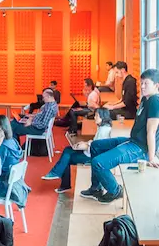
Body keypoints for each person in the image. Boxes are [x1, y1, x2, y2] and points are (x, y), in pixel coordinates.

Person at [43, 68, 158, 203]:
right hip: (132, 141)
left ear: (156, 85)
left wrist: (151, 158)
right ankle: (95, 188)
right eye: (141, 83)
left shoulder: (155, 101)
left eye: (146, 83)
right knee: (95, 146)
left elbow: (152, 131)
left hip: (140, 149)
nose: (142, 87)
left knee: (99, 163)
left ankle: (115, 191)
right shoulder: (146, 99)